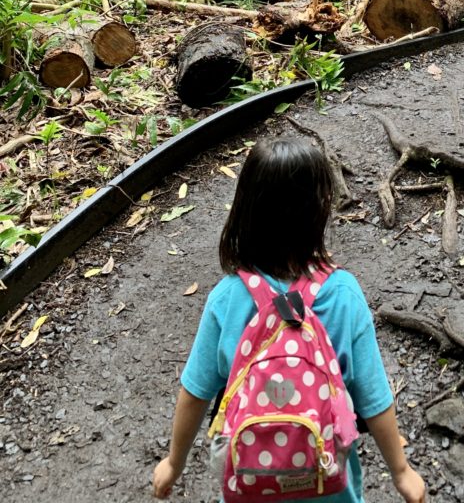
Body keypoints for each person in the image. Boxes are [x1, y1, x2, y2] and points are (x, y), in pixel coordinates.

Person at [152, 136, 427, 503]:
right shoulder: (343, 293)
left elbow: (196, 391)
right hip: (328, 483)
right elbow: (373, 395)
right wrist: (401, 471)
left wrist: (174, 462)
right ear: (319, 210)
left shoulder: (227, 297)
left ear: (244, 210)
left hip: (250, 482)